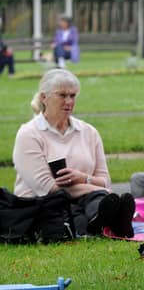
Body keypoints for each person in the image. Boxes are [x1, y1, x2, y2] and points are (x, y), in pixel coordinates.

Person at [12, 69, 135, 237]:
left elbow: (105, 180)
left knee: (96, 201)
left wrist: (83, 178)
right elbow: (48, 188)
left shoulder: (88, 132)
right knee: (90, 203)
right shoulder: (29, 134)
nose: (69, 101)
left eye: (73, 95)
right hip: (42, 204)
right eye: (62, 95)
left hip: (85, 198)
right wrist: (98, 188)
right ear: (43, 98)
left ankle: (109, 220)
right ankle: (111, 221)